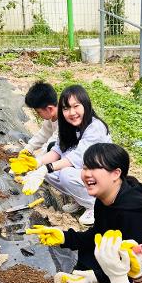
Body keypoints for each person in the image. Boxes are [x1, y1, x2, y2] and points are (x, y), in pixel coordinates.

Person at [27, 143, 142, 283]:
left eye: (95, 168)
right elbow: (98, 234)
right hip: (119, 254)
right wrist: (64, 237)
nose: (87, 174)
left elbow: (135, 260)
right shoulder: (105, 196)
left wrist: (98, 276)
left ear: (116, 173)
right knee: (90, 249)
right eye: (85, 168)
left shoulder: (134, 212)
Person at [21, 84, 112, 225]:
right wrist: (36, 164)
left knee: (65, 174)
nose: (71, 112)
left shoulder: (95, 127)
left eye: (76, 106)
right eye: (66, 108)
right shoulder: (68, 125)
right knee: (47, 171)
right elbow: (57, 150)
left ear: (86, 105)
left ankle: (96, 205)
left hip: (104, 173)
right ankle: (81, 200)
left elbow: (75, 158)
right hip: (87, 169)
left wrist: (46, 167)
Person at [23, 81, 59, 155]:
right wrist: (28, 148)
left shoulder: (67, 120)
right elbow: (44, 134)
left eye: (38, 112)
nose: (38, 115)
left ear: (50, 109)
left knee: (52, 146)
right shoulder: (51, 115)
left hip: (79, 155)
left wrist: (38, 161)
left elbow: (53, 143)